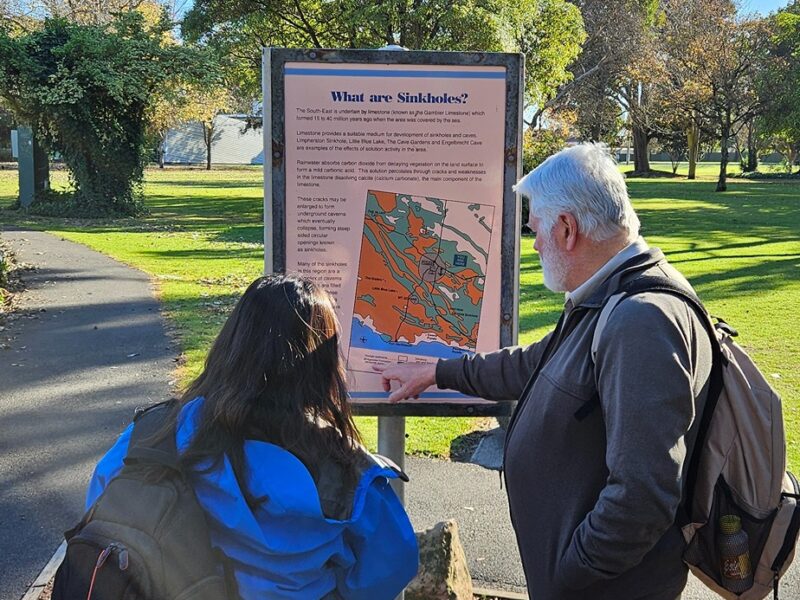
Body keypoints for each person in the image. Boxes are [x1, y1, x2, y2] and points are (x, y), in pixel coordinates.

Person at [378, 143, 713, 600]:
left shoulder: (641, 320)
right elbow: (536, 363)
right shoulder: (607, 295)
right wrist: (439, 371)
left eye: (535, 229)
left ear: (568, 228)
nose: (533, 243)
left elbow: (643, 497)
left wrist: (569, 572)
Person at [87, 274, 419, 599]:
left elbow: (104, 495)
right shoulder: (347, 468)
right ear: (322, 364)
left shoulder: (158, 432)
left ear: (233, 343)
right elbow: (393, 562)